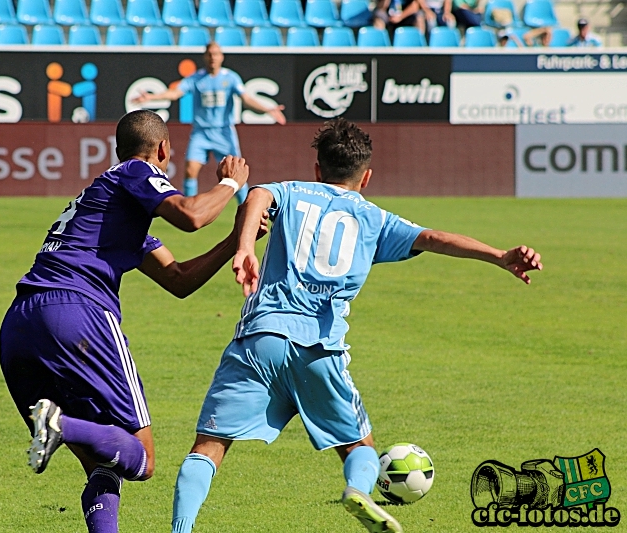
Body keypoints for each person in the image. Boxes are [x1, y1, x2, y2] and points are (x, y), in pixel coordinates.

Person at [169, 118, 543, 533]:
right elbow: (434, 237)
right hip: (320, 348)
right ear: (366, 176)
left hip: (262, 336)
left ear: (317, 169)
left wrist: (244, 248)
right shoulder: (375, 218)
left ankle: (180, 529)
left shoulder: (292, 192)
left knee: (210, 445)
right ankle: (359, 490)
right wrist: (498, 255)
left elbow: (257, 194)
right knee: (358, 446)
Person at [0, 109, 264, 533]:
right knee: (143, 460)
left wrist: (236, 239)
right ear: (162, 149)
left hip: (19, 326)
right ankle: (59, 423)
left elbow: (178, 280)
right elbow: (191, 214)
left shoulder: (108, 212)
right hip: (77, 313)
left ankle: (59, 426)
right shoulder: (134, 171)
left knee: (103, 463)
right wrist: (231, 183)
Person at [132, 42, 286, 203]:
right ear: (205, 57)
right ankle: (189, 207)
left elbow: (246, 99)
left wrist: (268, 109)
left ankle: (247, 207)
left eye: (216, 54)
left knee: (236, 172)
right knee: (190, 170)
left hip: (223, 131)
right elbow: (175, 93)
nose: (213, 57)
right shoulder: (196, 78)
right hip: (201, 132)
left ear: (221, 57)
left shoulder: (230, 78)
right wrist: (151, 97)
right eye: (210, 54)